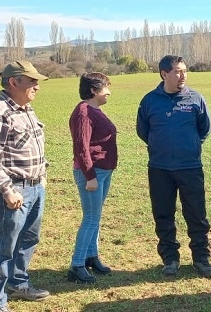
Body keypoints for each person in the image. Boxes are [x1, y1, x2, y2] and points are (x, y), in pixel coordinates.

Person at [136, 55, 211, 279]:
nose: (183, 76)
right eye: (177, 72)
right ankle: (170, 259)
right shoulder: (149, 101)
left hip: (190, 167)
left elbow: (205, 129)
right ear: (164, 74)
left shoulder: (195, 99)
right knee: (163, 214)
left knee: (197, 214)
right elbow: (143, 131)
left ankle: (201, 259)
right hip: (159, 168)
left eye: (184, 71)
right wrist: (161, 147)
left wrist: (188, 146)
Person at [0, 60, 49, 312]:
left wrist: (41, 177)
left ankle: (18, 284)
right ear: (13, 82)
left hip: (35, 187)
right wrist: (7, 190)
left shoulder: (26, 109)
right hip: (14, 190)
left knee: (28, 239)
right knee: (3, 247)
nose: (37, 87)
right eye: (32, 81)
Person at [67, 72, 117, 284]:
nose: (109, 92)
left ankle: (91, 256)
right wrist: (90, 176)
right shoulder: (83, 113)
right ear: (93, 90)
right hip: (92, 173)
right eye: (105, 87)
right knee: (90, 218)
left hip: (103, 172)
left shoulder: (95, 111)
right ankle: (76, 265)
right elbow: (81, 147)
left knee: (95, 217)